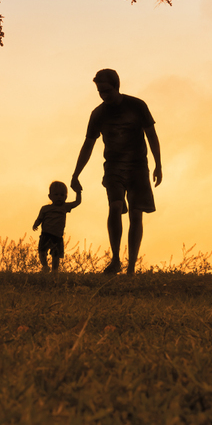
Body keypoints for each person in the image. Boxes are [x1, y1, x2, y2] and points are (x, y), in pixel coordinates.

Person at [71, 69, 162, 275]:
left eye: (106, 91)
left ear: (116, 87)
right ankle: (115, 259)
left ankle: (131, 267)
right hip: (113, 168)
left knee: (136, 215)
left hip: (138, 166)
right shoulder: (98, 114)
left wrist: (158, 163)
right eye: (100, 92)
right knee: (115, 207)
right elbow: (88, 145)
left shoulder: (137, 106)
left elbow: (151, 135)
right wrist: (76, 174)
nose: (104, 95)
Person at [32, 181, 81, 273]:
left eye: (62, 195)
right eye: (56, 194)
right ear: (50, 196)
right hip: (45, 235)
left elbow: (77, 202)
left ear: (66, 197)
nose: (59, 197)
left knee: (56, 255)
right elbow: (40, 218)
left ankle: (55, 270)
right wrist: (36, 224)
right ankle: (45, 266)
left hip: (57, 236)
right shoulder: (45, 208)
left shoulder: (65, 207)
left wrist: (78, 192)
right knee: (42, 252)